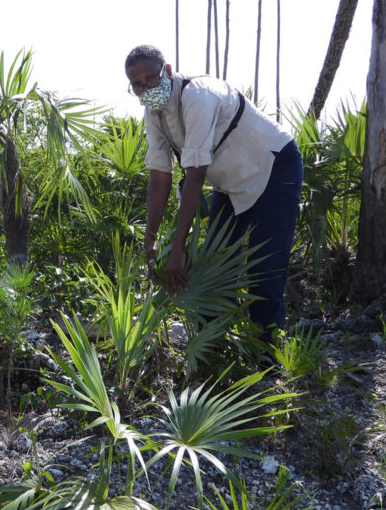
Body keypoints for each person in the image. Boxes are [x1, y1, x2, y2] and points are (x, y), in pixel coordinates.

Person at [124, 44, 303, 341]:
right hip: (230, 184)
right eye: (137, 84)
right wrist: (150, 240)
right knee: (215, 267)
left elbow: (195, 175)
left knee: (265, 269)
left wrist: (178, 249)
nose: (146, 88)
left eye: (151, 78)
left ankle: (267, 358)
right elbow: (160, 176)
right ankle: (216, 351)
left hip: (273, 166)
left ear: (167, 71)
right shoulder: (152, 113)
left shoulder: (198, 96)